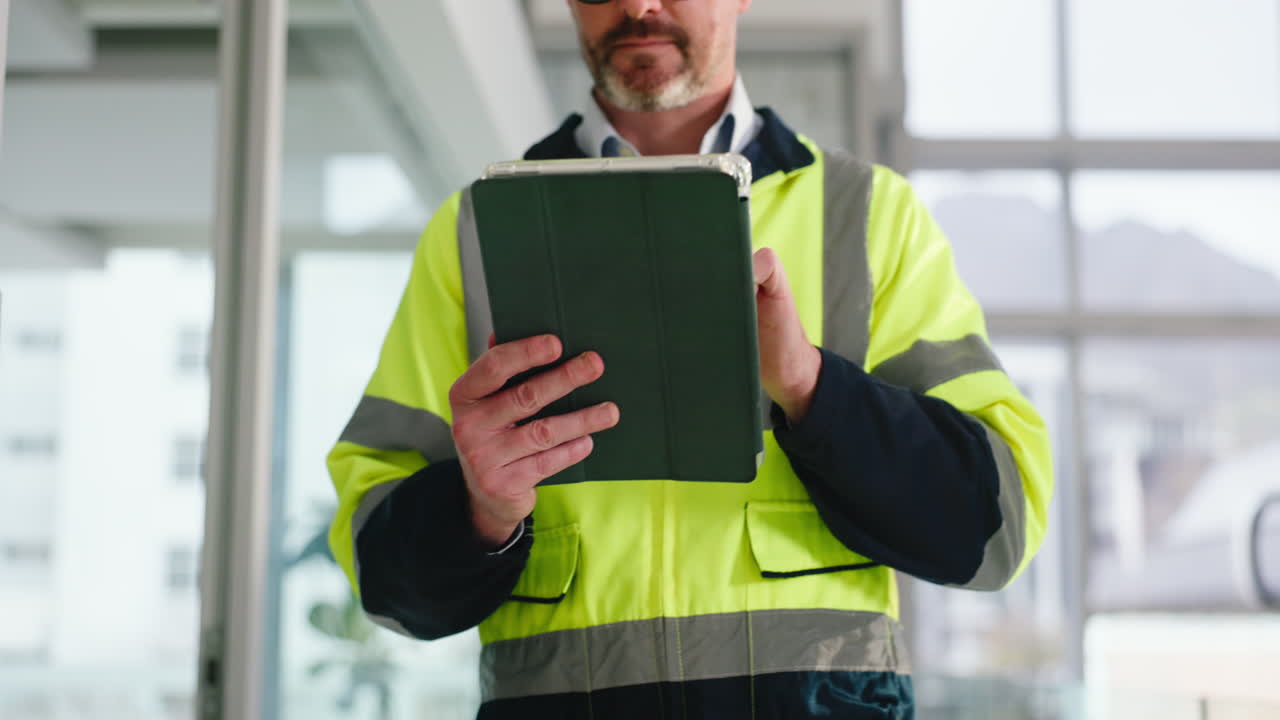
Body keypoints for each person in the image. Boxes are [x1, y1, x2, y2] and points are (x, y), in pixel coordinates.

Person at [326, 0, 1054, 717]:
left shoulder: (869, 215)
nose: (639, 6)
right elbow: (381, 574)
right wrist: (478, 511)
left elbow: (997, 525)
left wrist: (810, 387)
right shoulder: (471, 234)